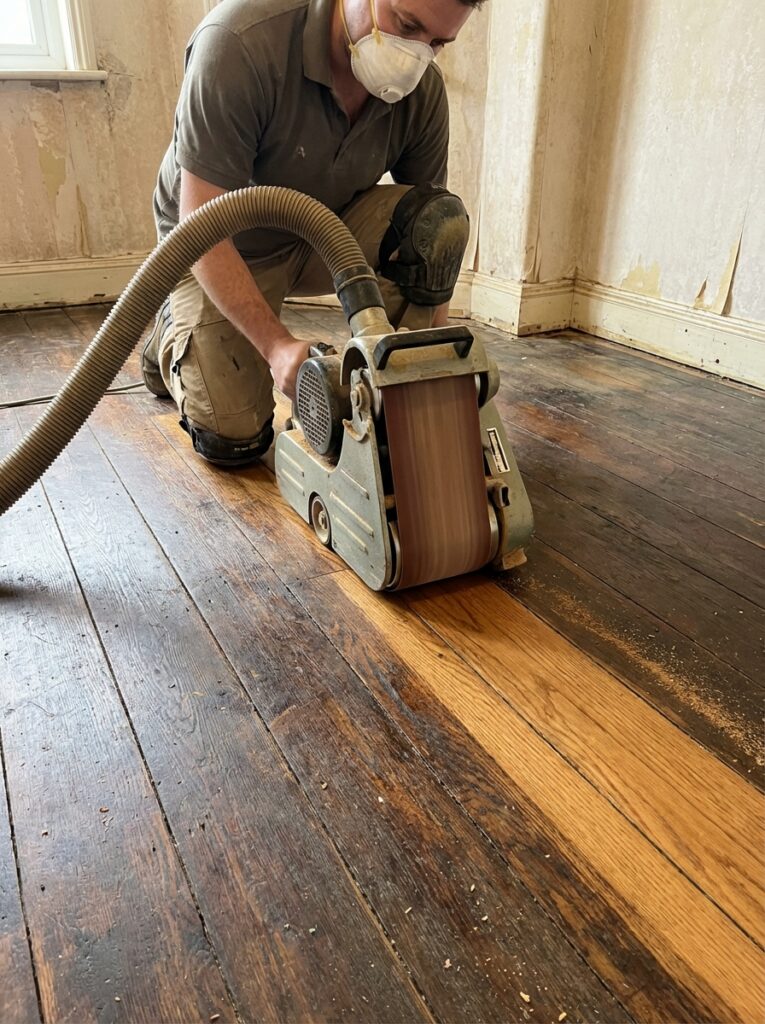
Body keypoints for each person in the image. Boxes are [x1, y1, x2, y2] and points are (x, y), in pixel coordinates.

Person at [143, 0, 481, 466]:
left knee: (439, 222)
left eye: (438, 43)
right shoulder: (238, 42)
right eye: (406, 25)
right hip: (219, 241)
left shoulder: (421, 93)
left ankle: (396, 400)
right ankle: (172, 335)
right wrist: (277, 347)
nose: (415, 55)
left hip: (326, 234)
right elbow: (201, 222)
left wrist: (430, 371)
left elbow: (431, 232)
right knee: (233, 439)